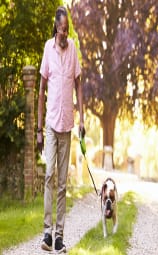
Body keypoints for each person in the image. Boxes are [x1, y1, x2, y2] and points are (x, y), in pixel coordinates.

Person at [37, 6, 85, 253]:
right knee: (48, 176)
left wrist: (83, 118)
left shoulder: (73, 49)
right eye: (62, 29)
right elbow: (41, 89)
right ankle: (46, 232)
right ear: (56, 27)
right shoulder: (48, 48)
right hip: (51, 124)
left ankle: (58, 237)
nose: (65, 33)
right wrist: (37, 128)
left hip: (67, 124)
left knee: (63, 184)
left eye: (67, 29)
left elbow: (79, 85)